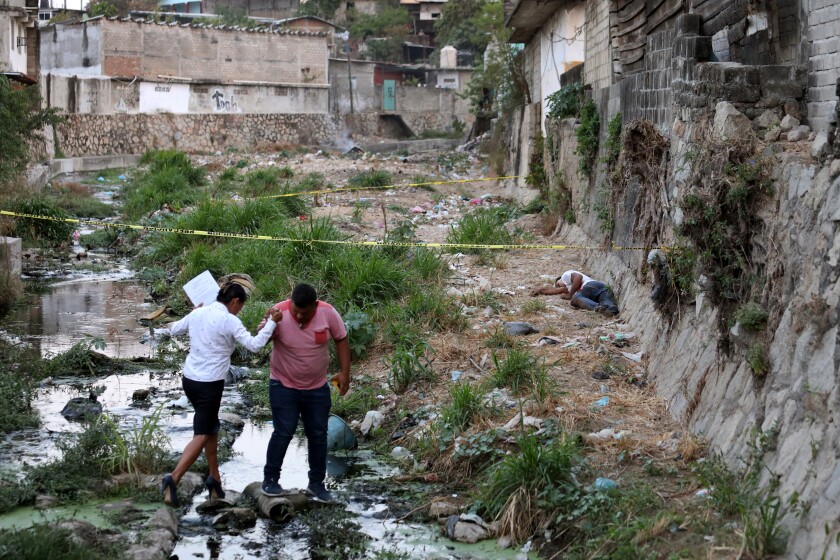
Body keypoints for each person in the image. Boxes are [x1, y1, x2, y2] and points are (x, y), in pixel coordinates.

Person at [161, 275, 282, 507]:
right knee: (202, 434)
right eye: (241, 307)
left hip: (190, 380)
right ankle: (173, 479)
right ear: (235, 301)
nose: (239, 311)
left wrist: (193, 312)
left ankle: (214, 480)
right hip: (209, 385)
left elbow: (173, 330)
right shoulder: (229, 321)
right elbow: (255, 346)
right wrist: (272, 324)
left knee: (210, 427)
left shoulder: (199, 313)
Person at [258, 283, 351, 503]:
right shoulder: (278, 312)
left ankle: (317, 485)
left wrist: (345, 373)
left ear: (315, 306)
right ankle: (270, 480)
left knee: (318, 435)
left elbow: (341, 339)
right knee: (283, 432)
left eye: (304, 313)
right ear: (290, 302)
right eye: (295, 310)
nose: (299, 316)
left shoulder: (327, 312)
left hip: (317, 387)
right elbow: (260, 340)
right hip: (283, 385)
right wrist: (269, 322)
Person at [532, 269, 619, 316]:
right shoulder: (570, 287)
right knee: (607, 303)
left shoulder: (565, 275)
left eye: (557, 284)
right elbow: (557, 291)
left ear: (560, 280)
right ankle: (609, 309)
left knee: (576, 298)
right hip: (603, 287)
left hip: (590, 286)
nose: (559, 287)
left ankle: (597, 308)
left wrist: (570, 295)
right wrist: (540, 291)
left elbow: (578, 277)